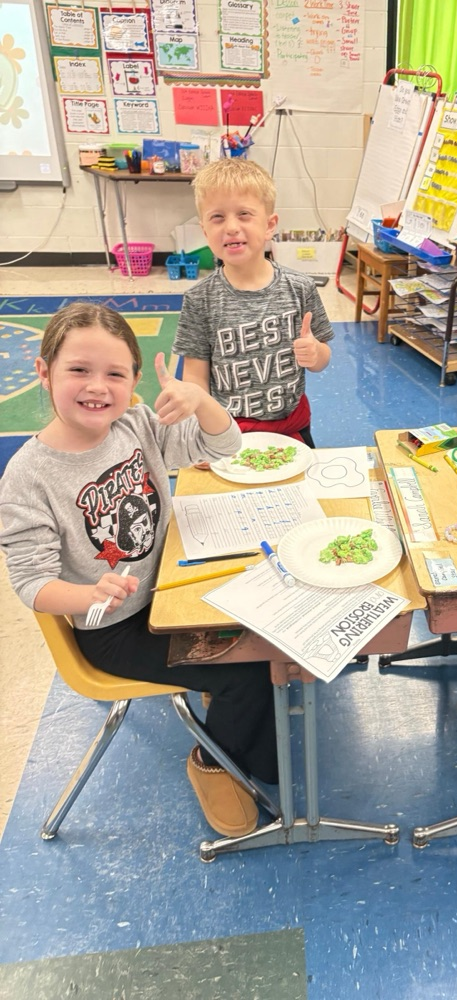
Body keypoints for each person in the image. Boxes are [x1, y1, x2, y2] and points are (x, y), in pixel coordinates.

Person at [0, 302, 277, 838]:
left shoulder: (135, 424)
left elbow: (224, 446)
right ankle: (215, 762)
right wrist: (86, 594)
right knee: (247, 672)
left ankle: (248, 741)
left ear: (132, 380)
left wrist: (202, 401)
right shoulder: (28, 477)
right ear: (43, 371)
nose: (97, 387)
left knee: (267, 633)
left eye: (115, 374)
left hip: (171, 589)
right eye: (78, 370)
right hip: (115, 627)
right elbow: (31, 583)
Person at [172, 158, 334, 447]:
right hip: (228, 431)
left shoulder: (301, 288)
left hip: (292, 427)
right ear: (205, 230)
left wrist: (315, 353)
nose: (231, 227)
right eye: (217, 217)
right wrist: (201, 434)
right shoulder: (199, 300)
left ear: (270, 224)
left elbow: (322, 359)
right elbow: (195, 378)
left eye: (244, 214)